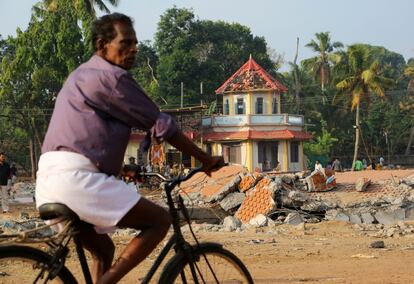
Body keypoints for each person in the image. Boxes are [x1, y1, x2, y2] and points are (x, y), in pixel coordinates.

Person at [35, 13, 223, 284]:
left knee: (104, 250)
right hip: (76, 182)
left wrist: (122, 169)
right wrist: (206, 160)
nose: (133, 49)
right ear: (102, 45)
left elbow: (84, 141)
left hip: (49, 182)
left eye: (135, 43)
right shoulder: (112, 78)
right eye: (125, 43)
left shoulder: (79, 75)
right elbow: (164, 126)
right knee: (159, 221)